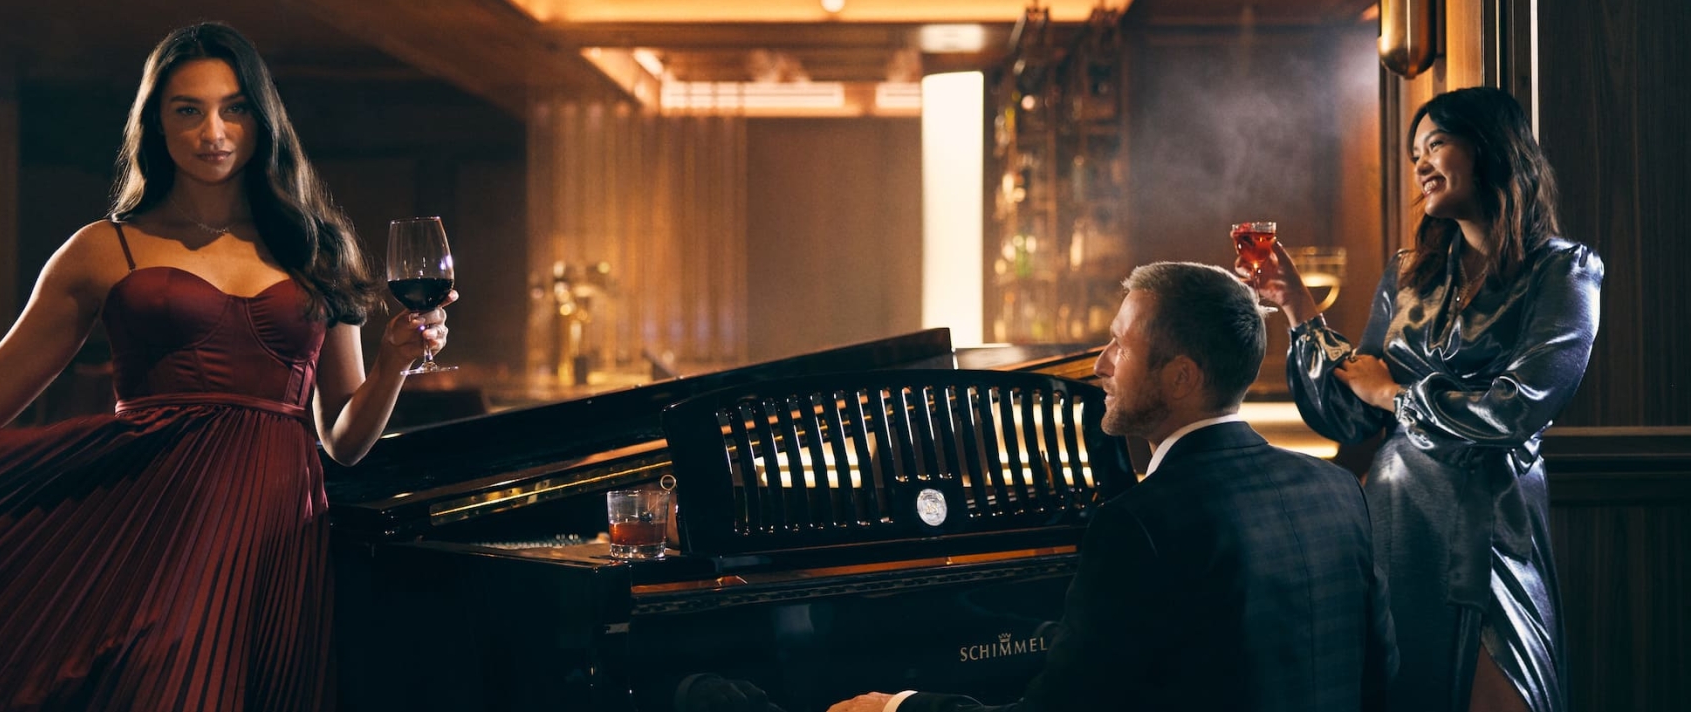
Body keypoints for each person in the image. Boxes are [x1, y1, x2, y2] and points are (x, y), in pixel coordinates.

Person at [0, 22, 451, 711]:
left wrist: (394, 361)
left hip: (280, 546)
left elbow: (344, 440)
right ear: (156, 122)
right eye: (188, 110)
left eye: (234, 107)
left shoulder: (319, 250)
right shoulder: (102, 250)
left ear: (263, 118)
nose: (213, 130)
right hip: (147, 535)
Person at [682, 262, 1397, 712]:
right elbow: (1383, 686)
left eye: (1121, 345)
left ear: (1182, 377)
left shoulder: (1140, 523)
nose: (1100, 366)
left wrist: (900, 705)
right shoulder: (1335, 493)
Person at [1245, 86, 1599, 712]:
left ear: (1490, 147)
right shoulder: (1410, 270)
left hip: (1492, 521)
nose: (1420, 165)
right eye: (1414, 153)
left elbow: (1516, 410)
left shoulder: (1563, 271)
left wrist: (1398, 394)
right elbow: (1352, 412)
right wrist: (1298, 308)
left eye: (1436, 144)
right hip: (1396, 520)